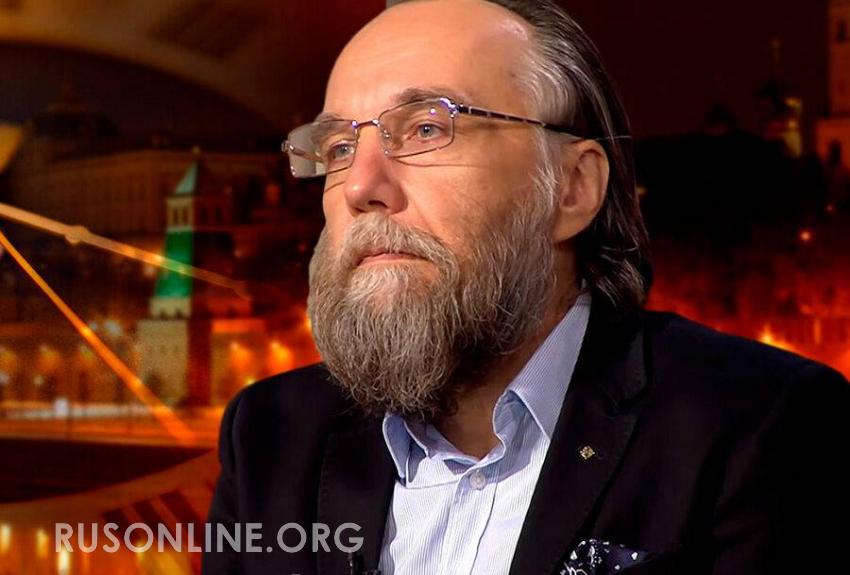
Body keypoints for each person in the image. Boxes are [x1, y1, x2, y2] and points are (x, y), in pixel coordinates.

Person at [202, 1, 850, 573]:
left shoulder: (759, 427)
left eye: (427, 128)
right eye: (340, 148)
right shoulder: (269, 435)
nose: (359, 187)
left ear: (572, 188)